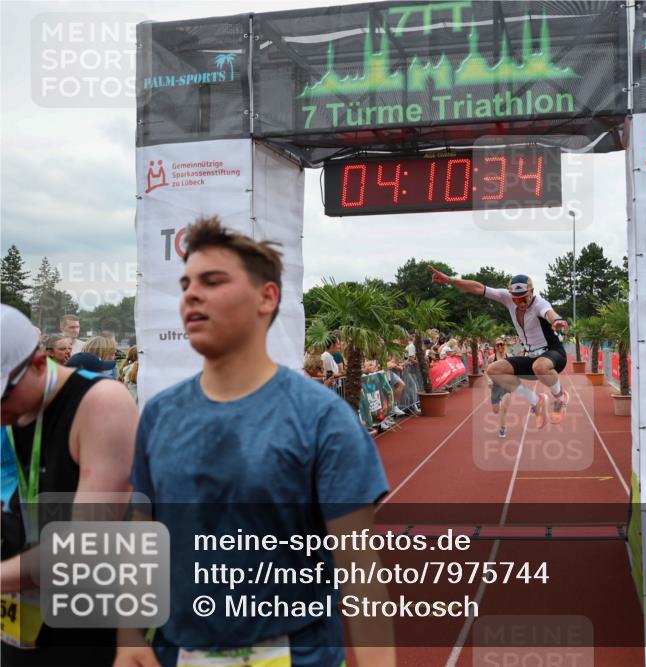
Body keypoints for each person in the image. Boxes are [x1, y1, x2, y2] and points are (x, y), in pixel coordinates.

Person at [115, 216, 394, 667]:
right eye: (186, 283)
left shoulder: (323, 419)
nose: (191, 294)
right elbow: (142, 535)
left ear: (267, 297)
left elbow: (360, 573)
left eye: (212, 281)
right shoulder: (160, 415)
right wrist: (128, 635)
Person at [0, 304, 138, 665]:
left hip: (86, 621)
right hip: (19, 616)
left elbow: (88, 548)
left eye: (1, 396)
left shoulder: (100, 404)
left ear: (39, 364)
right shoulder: (14, 406)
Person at [428, 267, 570, 428]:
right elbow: (478, 288)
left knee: (540, 365)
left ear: (532, 292)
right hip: (531, 357)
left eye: (524, 299)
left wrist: (557, 320)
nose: (520, 303)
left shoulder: (539, 303)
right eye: (516, 300)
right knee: (494, 370)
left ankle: (560, 396)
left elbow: (549, 313)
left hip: (553, 354)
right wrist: (450, 280)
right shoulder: (507, 298)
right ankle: (536, 402)